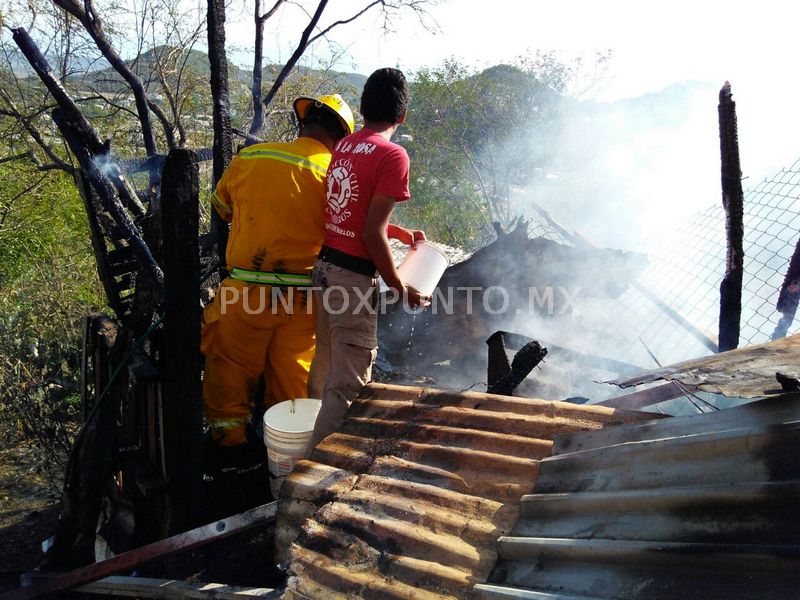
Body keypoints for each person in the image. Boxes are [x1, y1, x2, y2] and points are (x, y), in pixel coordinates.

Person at [202, 94, 355, 492]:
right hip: (303, 301)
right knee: (292, 390)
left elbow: (221, 207)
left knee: (229, 378)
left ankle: (231, 463)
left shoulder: (251, 158)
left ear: (302, 125)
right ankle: (287, 469)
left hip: (245, 295)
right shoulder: (336, 175)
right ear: (340, 139)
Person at [307, 68, 427, 451]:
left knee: (324, 367)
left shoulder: (343, 147)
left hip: (324, 270)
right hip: (351, 282)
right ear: (402, 116)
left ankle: (303, 446)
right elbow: (370, 234)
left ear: (361, 109)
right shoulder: (393, 155)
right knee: (347, 388)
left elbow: (351, 215)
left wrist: (400, 232)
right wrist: (400, 287)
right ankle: (312, 473)